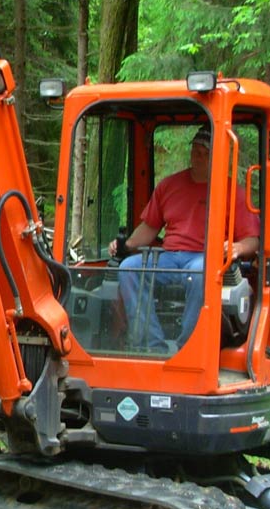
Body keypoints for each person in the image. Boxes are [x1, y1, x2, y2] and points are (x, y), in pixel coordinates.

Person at [107, 126, 260, 351]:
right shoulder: (169, 186)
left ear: (218, 156)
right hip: (168, 258)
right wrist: (125, 245)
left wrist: (237, 247)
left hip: (204, 258)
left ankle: (188, 349)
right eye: (196, 151)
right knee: (129, 268)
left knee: (200, 273)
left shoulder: (233, 192)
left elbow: (253, 240)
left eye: (205, 153)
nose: (198, 157)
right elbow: (150, 227)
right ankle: (152, 346)